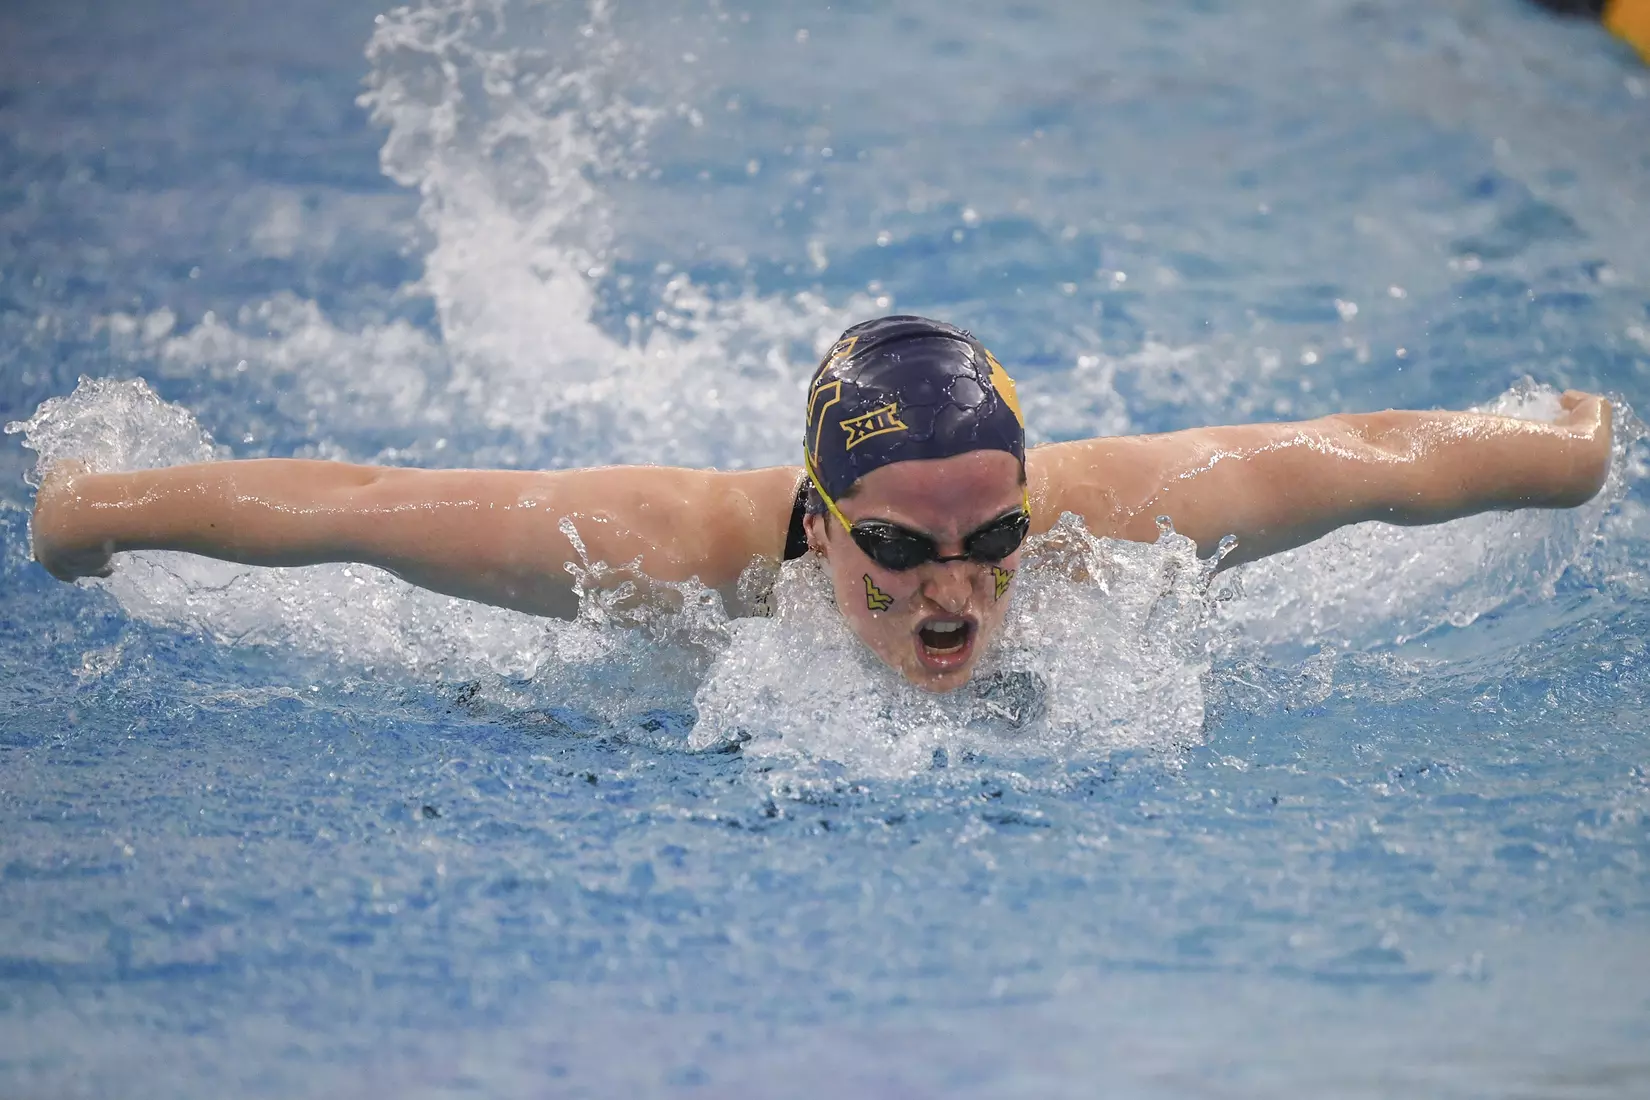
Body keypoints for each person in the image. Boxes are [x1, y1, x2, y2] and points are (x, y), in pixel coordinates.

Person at [29, 315, 1613, 693]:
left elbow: (1383, 457)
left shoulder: (1117, 514)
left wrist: (1572, 441)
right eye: (902, 552)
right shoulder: (667, 553)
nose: (952, 596)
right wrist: (95, 508)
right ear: (818, 519)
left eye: (991, 544)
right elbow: (361, 506)